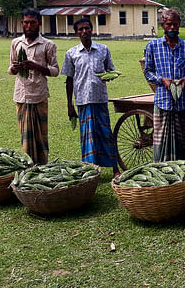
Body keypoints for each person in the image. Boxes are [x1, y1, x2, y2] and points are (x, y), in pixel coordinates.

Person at [63, 18, 118, 174]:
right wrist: (69, 105)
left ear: (92, 30)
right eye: (80, 29)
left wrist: (109, 76)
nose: (84, 31)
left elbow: (110, 71)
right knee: (88, 137)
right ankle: (91, 169)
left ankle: (115, 168)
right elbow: (69, 80)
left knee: (105, 134)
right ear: (76, 33)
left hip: (100, 98)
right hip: (83, 100)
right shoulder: (72, 53)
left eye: (87, 28)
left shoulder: (103, 49)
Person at [143, 8, 185, 162]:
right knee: (161, 143)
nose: (172, 28)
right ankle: (160, 171)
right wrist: (162, 80)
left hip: (182, 102)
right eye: (168, 24)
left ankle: (179, 177)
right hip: (163, 101)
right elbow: (148, 72)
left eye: (175, 24)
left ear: (179, 25)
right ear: (163, 25)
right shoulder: (153, 46)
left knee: (180, 143)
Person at [8, 9, 59, 164]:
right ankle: (28, 165)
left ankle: (42, 165)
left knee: (40, 136)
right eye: (26, 22)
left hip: (39, 95)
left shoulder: (48, 45)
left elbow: (55, 70)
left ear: (39, 23)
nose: (29, 26)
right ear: (22, 24)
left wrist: (36, 66)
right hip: (21, 95)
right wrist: (15, 68)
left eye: (32, 22)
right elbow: (10, 68)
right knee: (25, 136)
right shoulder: (16, 43)